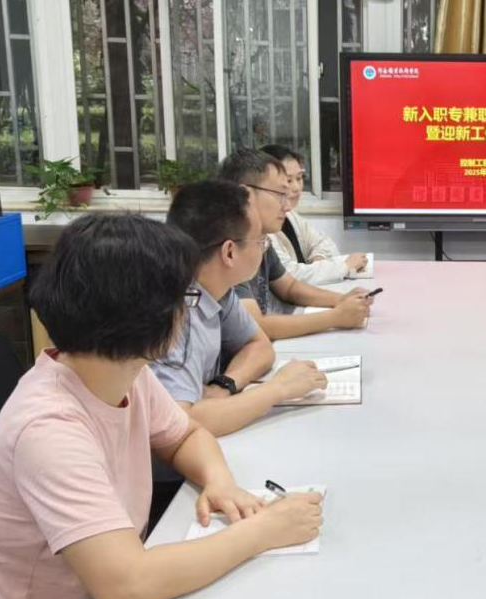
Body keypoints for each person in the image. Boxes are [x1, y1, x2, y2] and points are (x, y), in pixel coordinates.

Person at [0, 214, 324, 599]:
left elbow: (186, 435)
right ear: (152, 320)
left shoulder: (121, 370)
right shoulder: (48, 428)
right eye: (184, 299)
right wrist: (265, 531)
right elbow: (128, 586)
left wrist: (218, 481)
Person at [151, 181, 327, 437]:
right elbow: (181, 422)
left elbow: (259, 345)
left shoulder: (216, 288)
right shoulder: (174, 313)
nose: (263, 249)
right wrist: (278, 389)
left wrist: (224, 385)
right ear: (229, 253)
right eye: (260, 241)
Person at [217, 148, 372, 340]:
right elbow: (256, 326)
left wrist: (341, 299)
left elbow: (290, 287)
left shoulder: (261, 238)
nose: (287, 205)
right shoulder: (230, 248)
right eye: (280, 194)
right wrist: (336, 317)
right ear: (246, 195)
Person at [259, 144, 369, 285]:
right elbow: (288, 275)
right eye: (288, 180)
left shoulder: (291, 215)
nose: (296, 188)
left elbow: (324, 243)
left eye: (299, 178)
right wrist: (344, 266)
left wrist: (319, 259)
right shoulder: (262, 228)